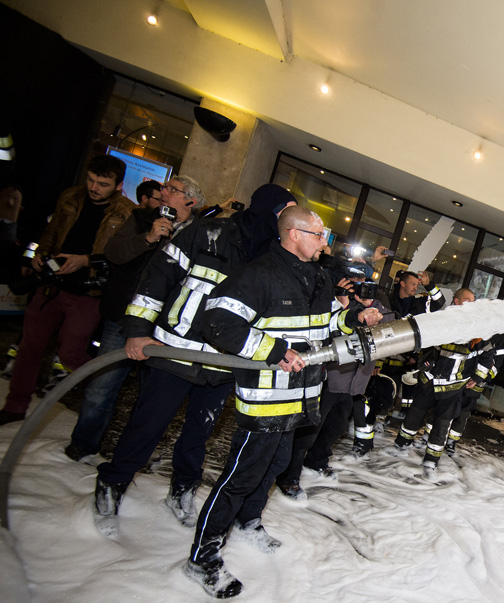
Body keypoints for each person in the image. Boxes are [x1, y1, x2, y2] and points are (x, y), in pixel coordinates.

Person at [185, 206, 383, 599]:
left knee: (275, 465)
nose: (325, 242)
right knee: (240, 475)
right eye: (318, 234)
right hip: (266, 398)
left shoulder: (316, 277)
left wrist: (355, 318)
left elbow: (327, 322)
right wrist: (272, 350)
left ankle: (249, 522)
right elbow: (217, 321)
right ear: (294, 234)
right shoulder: (260, 274)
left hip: (301, 395)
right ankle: (202, 557)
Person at [91, 184, 297, 536]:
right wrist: (138, 329)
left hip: (221, 365)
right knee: (148, 425)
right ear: (265, 209)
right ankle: (113, 483)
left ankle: (182, 490)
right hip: (175, 353)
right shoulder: (208, 232)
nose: (286, 221)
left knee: (198, 435)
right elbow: (157, 277)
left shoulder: (271, 259)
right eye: (283, 212)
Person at [64, 175, 206, 462]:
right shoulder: (141, 218)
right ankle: (84, 443)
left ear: (190, 201)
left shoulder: (203, 233)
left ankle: (130, 457)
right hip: (126, 316)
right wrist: (149, 238)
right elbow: (114, 253)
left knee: (151, 399)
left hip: (167, 328)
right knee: (101, 386)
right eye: (165, 188)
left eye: (172, 190)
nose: (164, 193)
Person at [0, 155, 135, 426]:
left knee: (71, 353)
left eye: (103, 184)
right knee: (30, 347)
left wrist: (86, 260)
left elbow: (121, 255)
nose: (94, 187)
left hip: (88, 293)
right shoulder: (71, 197)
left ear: (119, 186)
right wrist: (41, 254)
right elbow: (52, 230)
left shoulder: (126, 213)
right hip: (51, 285)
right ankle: (15, 406)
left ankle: (101, 394)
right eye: (91, 180)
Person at [276, 259, 395, 498]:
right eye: (354, 280)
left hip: (355, 381)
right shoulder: (328, 298)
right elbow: (322, 332)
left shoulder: (376, 305)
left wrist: (368, 306)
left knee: (337, 426)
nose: (359, 285)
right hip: (329, 376)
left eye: (363, 280)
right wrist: (342, 306)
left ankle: (317, 461)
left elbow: (391, 329)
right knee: (310, 428)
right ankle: (290, 475)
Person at [392, 287, 481, 480]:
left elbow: (487, 354)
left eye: (474, 300)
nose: (472, 304)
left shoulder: (477, 328)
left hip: (453, 387)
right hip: (430, 380)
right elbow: (427, 342)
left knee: (442, 426)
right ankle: (400, 446)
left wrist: (479, 377)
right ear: (456, 302)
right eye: (468, 300)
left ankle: (431, 461)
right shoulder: (443, 319)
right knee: (413, 417)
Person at [384, 269, 447, 414]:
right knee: (387, 388)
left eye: (416, 285)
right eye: (412, 284)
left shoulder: (420, 302)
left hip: (412, 356)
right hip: (389, 355)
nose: (415, 287)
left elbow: (440, 301)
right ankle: (382, 416)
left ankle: (403, 416)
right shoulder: (388, 301)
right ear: (402, 284)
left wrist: (429, 285)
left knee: (409, 389)